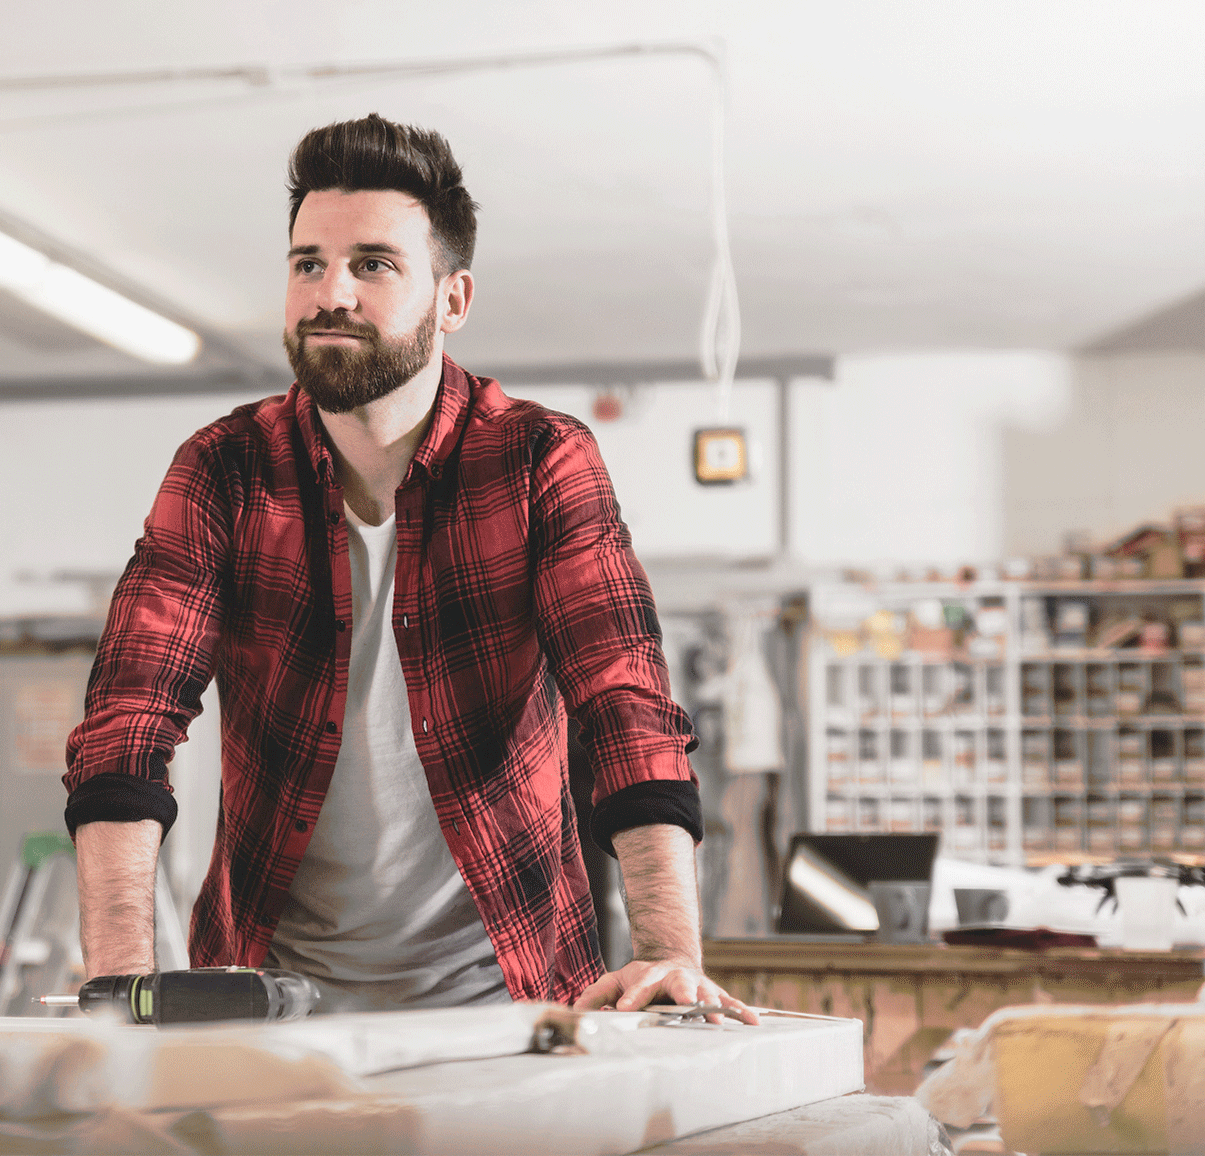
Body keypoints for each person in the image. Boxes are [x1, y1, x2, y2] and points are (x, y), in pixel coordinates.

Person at [62, 113, 756, 1021]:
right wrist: (124, 987)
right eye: (308, 263)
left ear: (453, 300)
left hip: (510, 998)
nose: (330, 293)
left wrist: (669, 956)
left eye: (373, 265)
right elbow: (127, 723)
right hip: (273, 1005)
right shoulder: (223, 470)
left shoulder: (541, 460)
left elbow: (624, 704)